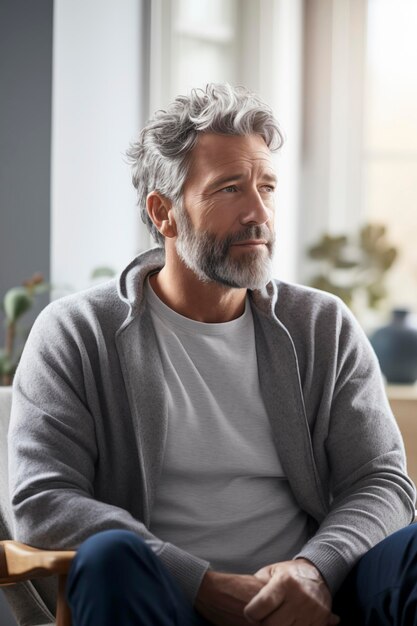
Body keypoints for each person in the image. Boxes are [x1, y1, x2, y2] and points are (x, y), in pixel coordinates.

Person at [8, 83, 417, 626]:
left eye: (266, 186)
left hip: (314, 602)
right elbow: (44, 501)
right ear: (164, 212)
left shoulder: (322, 325)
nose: (258, 213)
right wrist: (197, 582)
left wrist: (314, 570)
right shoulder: (76, 332)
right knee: (109, 560)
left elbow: (382, 481)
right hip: (165, 601)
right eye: (229, 189)